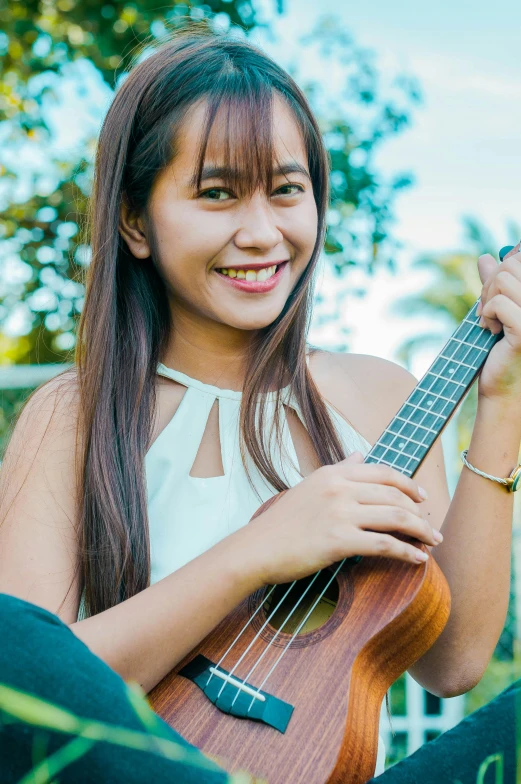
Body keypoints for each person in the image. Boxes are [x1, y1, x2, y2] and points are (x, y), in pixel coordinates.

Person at [1, 25, 520, 782]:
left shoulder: (376, 395)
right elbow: (23, 692)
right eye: (216, 193)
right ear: (135, 221)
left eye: (285, 190)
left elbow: (453, 663)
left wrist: (502, 402)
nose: (260, 232)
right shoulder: (73, 413)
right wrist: (256, 552)